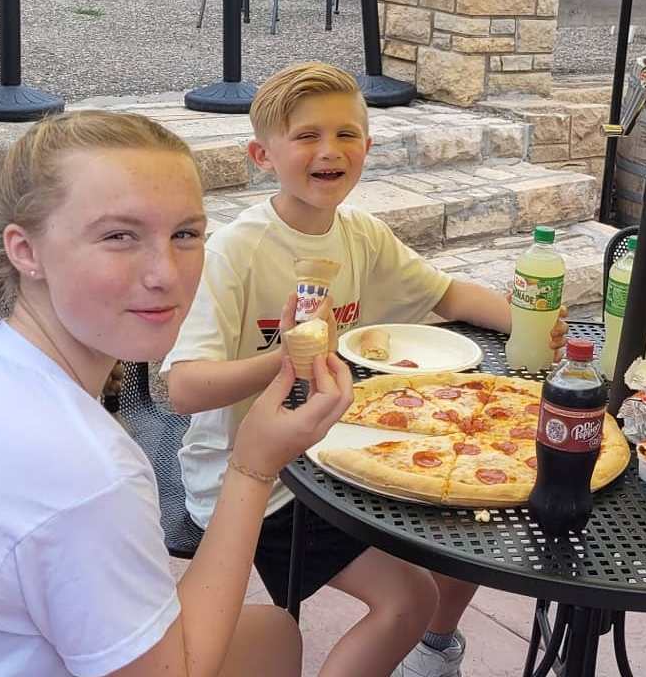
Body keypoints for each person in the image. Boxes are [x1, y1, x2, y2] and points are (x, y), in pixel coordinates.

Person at [0, 111, 353, 676]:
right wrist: (252, 465)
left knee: (272, 632)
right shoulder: (86, 479)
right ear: (26, 251)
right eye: (119, 236)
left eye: (186, 235)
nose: (166, 273)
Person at [163, 62, 567, 677]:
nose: (330, 150)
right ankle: (415, 639)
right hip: (257, 482)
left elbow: (448, 294)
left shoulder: (361, 235)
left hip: (343, 446)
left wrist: (530, 322)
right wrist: (283, 358)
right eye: (306, 136)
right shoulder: (236, 252)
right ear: (261, 154)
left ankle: (431, 658)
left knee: (475, 531)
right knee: (410, 599)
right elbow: (183, 388)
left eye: (347, 134)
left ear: (369, 147)